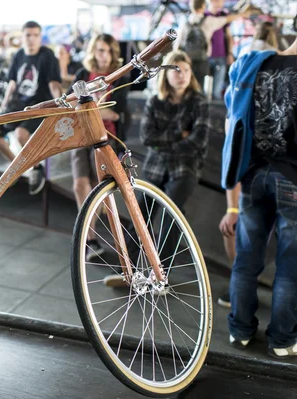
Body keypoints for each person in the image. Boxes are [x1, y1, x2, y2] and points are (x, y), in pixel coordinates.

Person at [108, 50, 209, 288]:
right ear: (166, 74)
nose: (181, 75)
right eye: (176, 71)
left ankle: (159, 276)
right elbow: (146, 137)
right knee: (138, 213)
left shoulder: (198, 102)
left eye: (185, 70)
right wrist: (179, 135)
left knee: (169, 217)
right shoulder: (155, 100)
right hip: (156, 167)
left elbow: (198, 140)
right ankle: (129, 271)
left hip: (184, 169)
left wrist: (165, 141)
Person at [223, 34, 297, 358]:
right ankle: (282, 340)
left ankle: (239, 331)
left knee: (246, 260)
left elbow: (232, 110)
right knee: (290, 268)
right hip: (292, 178)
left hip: (252, 173)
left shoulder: (257, 63)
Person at [0, 21, 63, 195]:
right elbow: (12, 83)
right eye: (28, 35)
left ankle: (36, 168)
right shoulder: (19, 55)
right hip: (18, 105)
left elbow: (54, 83)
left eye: (35, 35)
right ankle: (15, 167)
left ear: (40, 37)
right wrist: (2, 107)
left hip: (39, 106)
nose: (32, 39)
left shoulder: (47, 55)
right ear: (22, 36)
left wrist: (59, 103)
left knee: (21, 134)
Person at [69, 34, 130, 266]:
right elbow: (70, 103)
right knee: (79, 184)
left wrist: (87, 110)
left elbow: (117, 112)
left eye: (106, 50)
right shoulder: (83, 75)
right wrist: (94, 111)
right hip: (81, 136)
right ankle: (89, 238)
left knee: (101, 190)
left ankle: (111, 243)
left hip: (107, 138)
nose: (101, 55)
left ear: (113, 53)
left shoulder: (118, 77)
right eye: (98, 50)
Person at [175, 0, 249, 91]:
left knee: (190, 86)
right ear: (203, 6)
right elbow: (226, 19)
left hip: (188, 59)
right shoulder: (208, 20)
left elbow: (178, 43)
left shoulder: (185, 23)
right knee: (203, 86)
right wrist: (242, 15)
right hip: (203, 59)